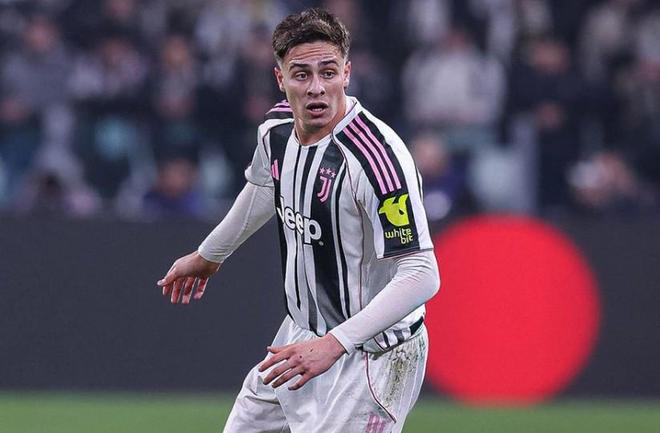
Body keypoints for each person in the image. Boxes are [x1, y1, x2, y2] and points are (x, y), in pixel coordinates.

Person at [157, 8, 440, 433]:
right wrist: (209, 255)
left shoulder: (377, 160)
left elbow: (421, 273)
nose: (316, 88)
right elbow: (264, 187)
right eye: (301, 75)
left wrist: (335, 343)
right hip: (300, 339)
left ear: (347, 73)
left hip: (372, 356)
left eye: (328, 72)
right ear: (280, 78)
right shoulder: (277, 128)